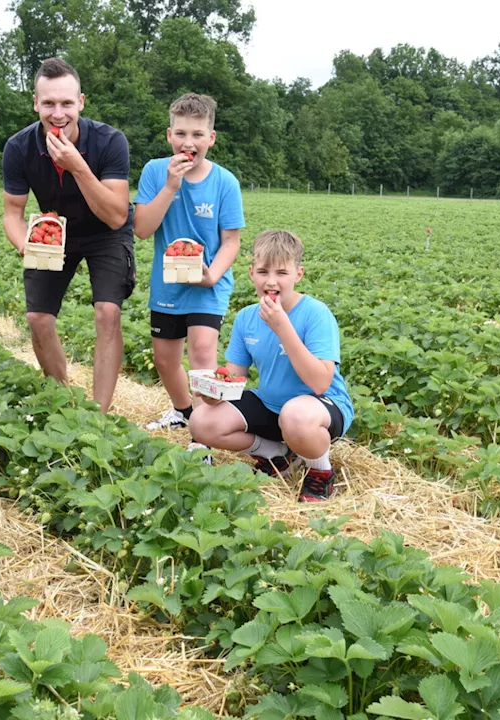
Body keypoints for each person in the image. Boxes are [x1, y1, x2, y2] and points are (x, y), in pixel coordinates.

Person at [1, 57, 134, 411]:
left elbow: (116, 214)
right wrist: (25, 246)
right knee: (38, 318)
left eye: (66, 103)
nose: (57, 113)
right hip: (54, 230)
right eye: (48, 104)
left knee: (108, 312)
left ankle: (98, 415)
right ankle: (63, 400)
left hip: (106, 231)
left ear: (81, 102)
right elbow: (12, 213)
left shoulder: (109, 142)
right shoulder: (19, 147)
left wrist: (77, 166)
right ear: (35, 104)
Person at [189, 230, 355, 502]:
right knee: (202, 421)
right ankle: (276, 453)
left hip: (318, 407)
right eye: (263, 272)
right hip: (270, 406)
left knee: (295, 414)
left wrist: (282, 327)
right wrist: (213, 392)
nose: (271, 281)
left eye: (282, 273)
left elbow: (320, 382)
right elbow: (234, 378)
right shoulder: (246, 318)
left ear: (298, 274)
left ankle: (320, 472)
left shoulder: (315, 314)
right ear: (251, 272)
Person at [133, 93, 243, 434]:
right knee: (166, 361)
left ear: (211, 138)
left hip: (208, 284)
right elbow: (141, 229)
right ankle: (184, 412)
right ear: (169, 136)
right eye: (181, 133)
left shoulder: (225, 182)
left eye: (197, 134)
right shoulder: (155, 171)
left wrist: (213, 276)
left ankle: (204, 435)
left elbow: (231, 242)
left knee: (202, 353)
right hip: (169, 282)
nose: (188, 142)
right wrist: (170, 185)